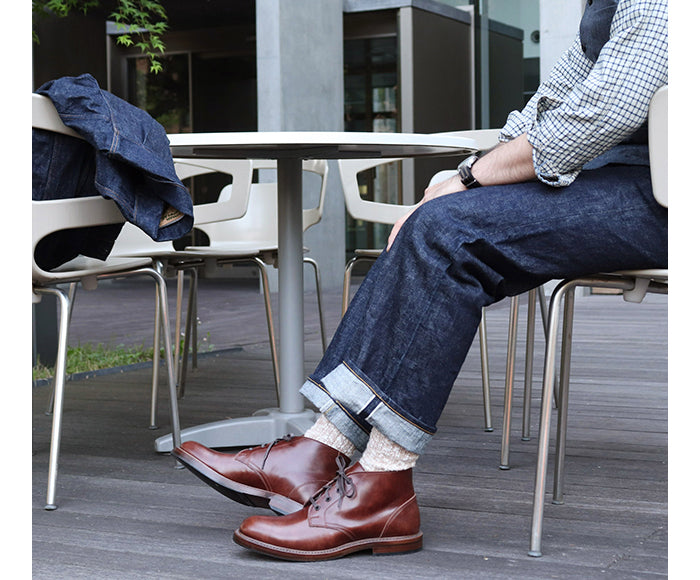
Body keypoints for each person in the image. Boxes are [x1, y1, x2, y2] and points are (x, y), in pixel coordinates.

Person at [172, 0, 668, 561]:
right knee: (437, 224)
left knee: (445, 231)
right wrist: (463, 177)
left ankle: (380, 484)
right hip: (621, 182)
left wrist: (469, 181)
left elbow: (609, 108)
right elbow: (553, 102)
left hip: (666, 194)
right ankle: (320, 451)